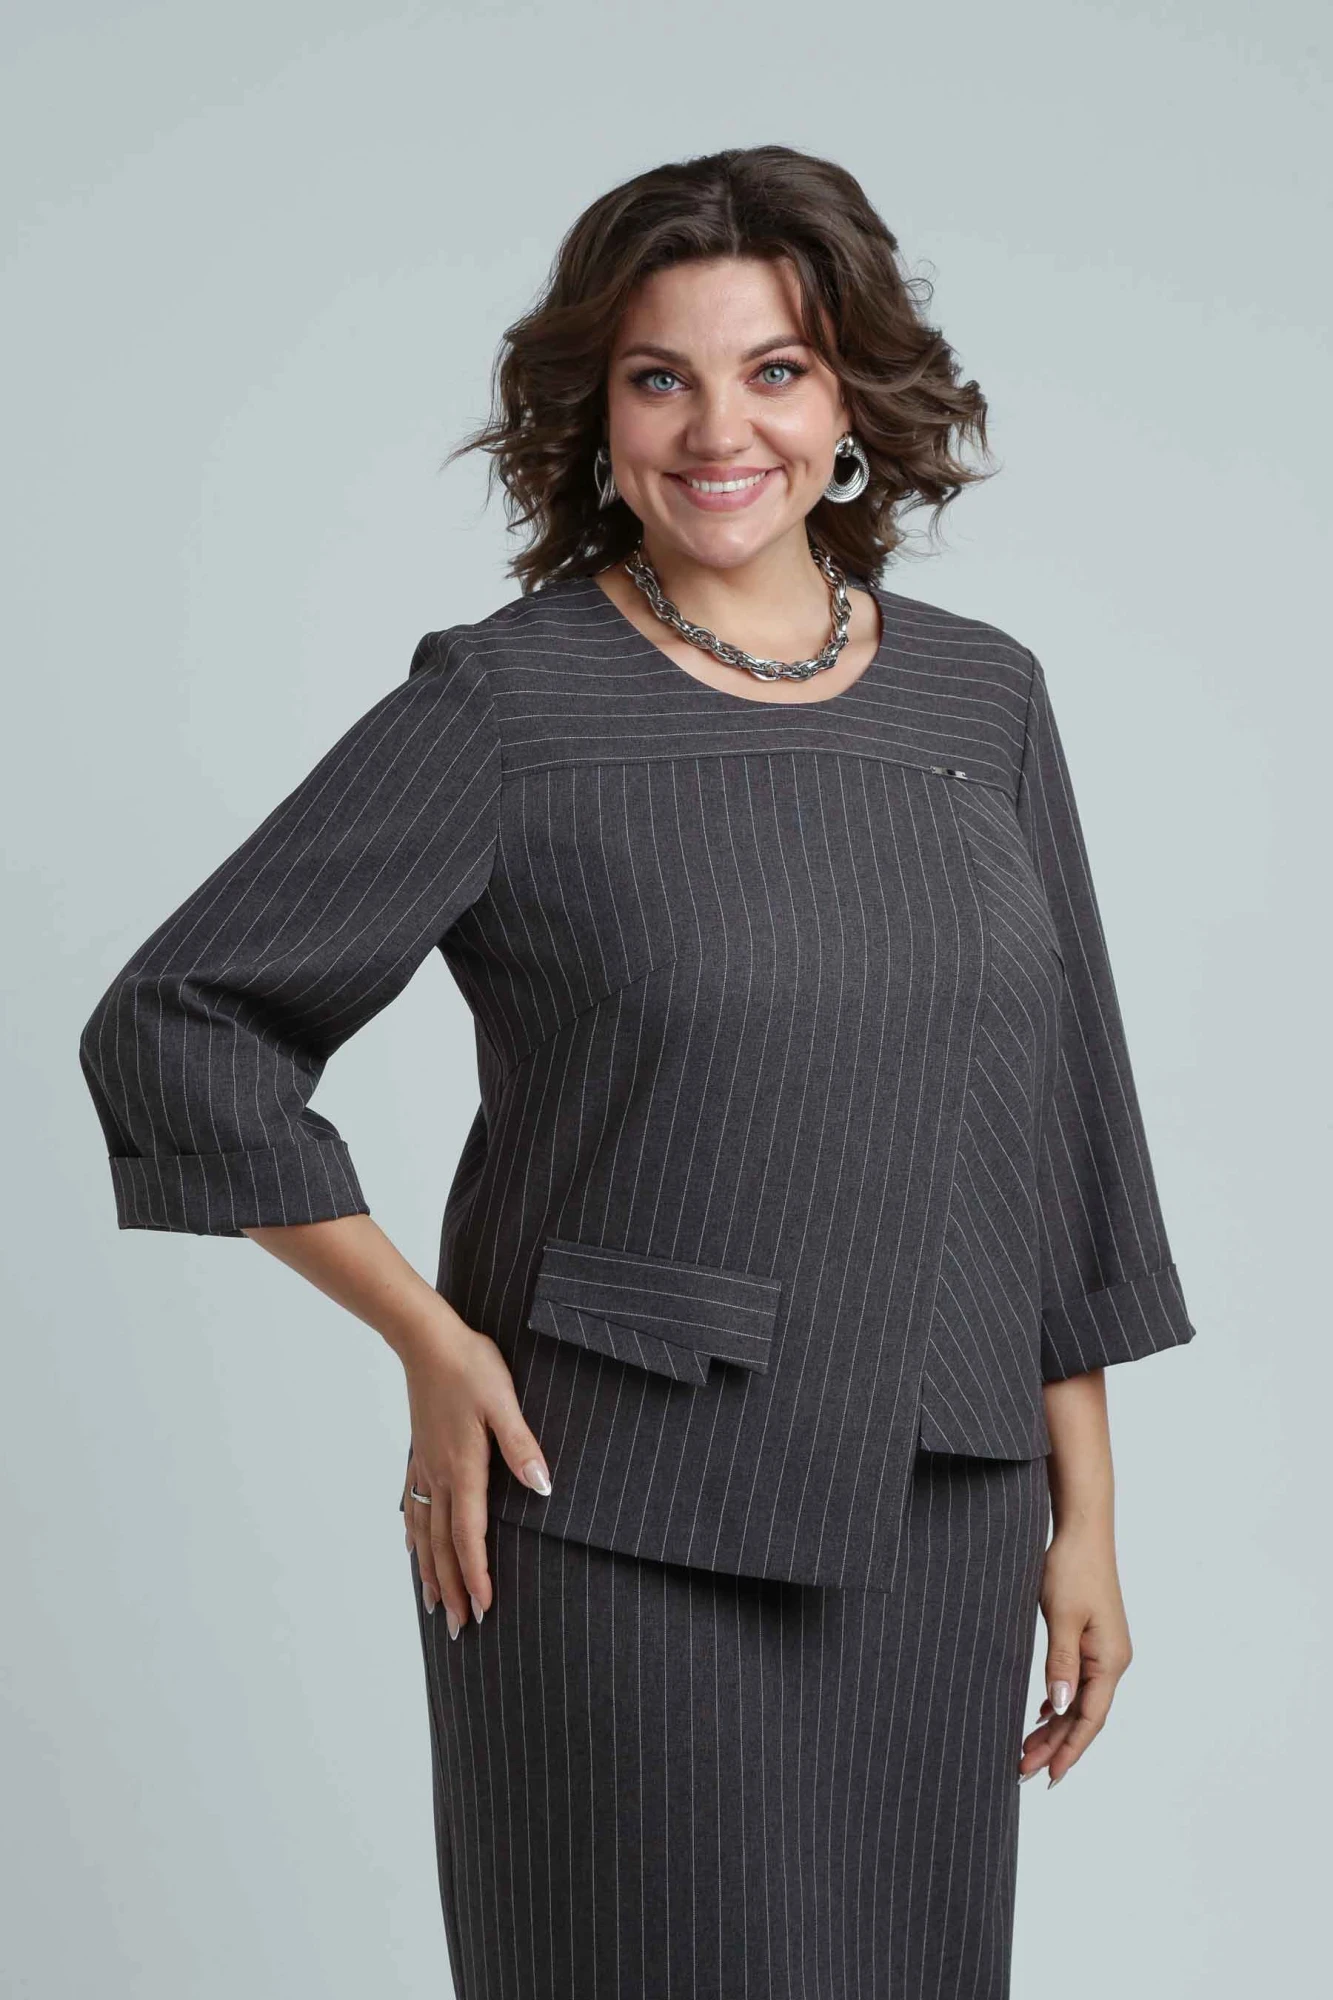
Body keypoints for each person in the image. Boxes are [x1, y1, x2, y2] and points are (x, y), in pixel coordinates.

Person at [77, 144, 1198, 1999]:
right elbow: (181, 1020)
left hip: (941, 1512)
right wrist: (431, 1341)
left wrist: (1089, 1519)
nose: (718, 430)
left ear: (851, 403)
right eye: (660, 377)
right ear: (596, 417)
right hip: (615, 1505)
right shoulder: (508, 699)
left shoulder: (982, 696)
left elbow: (1062, 1113)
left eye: (776, 370)